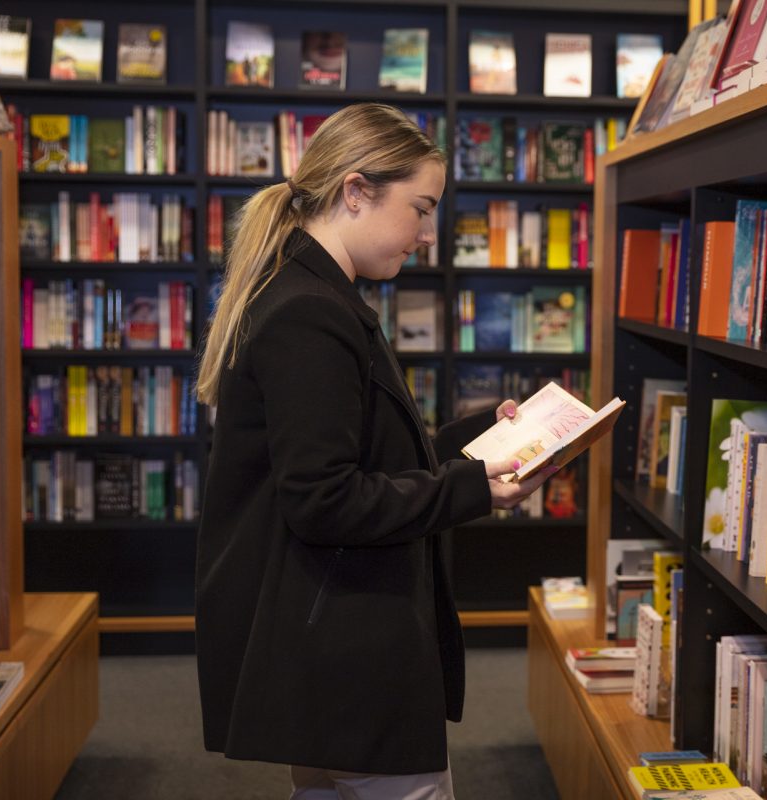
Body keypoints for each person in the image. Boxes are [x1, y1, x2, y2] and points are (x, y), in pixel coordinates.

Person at [194, 103, 556, 799]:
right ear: (355, 191)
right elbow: (325, 500)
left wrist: (480, 440)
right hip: (341, 634)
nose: (426, 235)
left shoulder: (307, 291)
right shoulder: (311, 311)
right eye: (420, 210)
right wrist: (475, 488)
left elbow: (361, 451)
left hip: (318, 622)